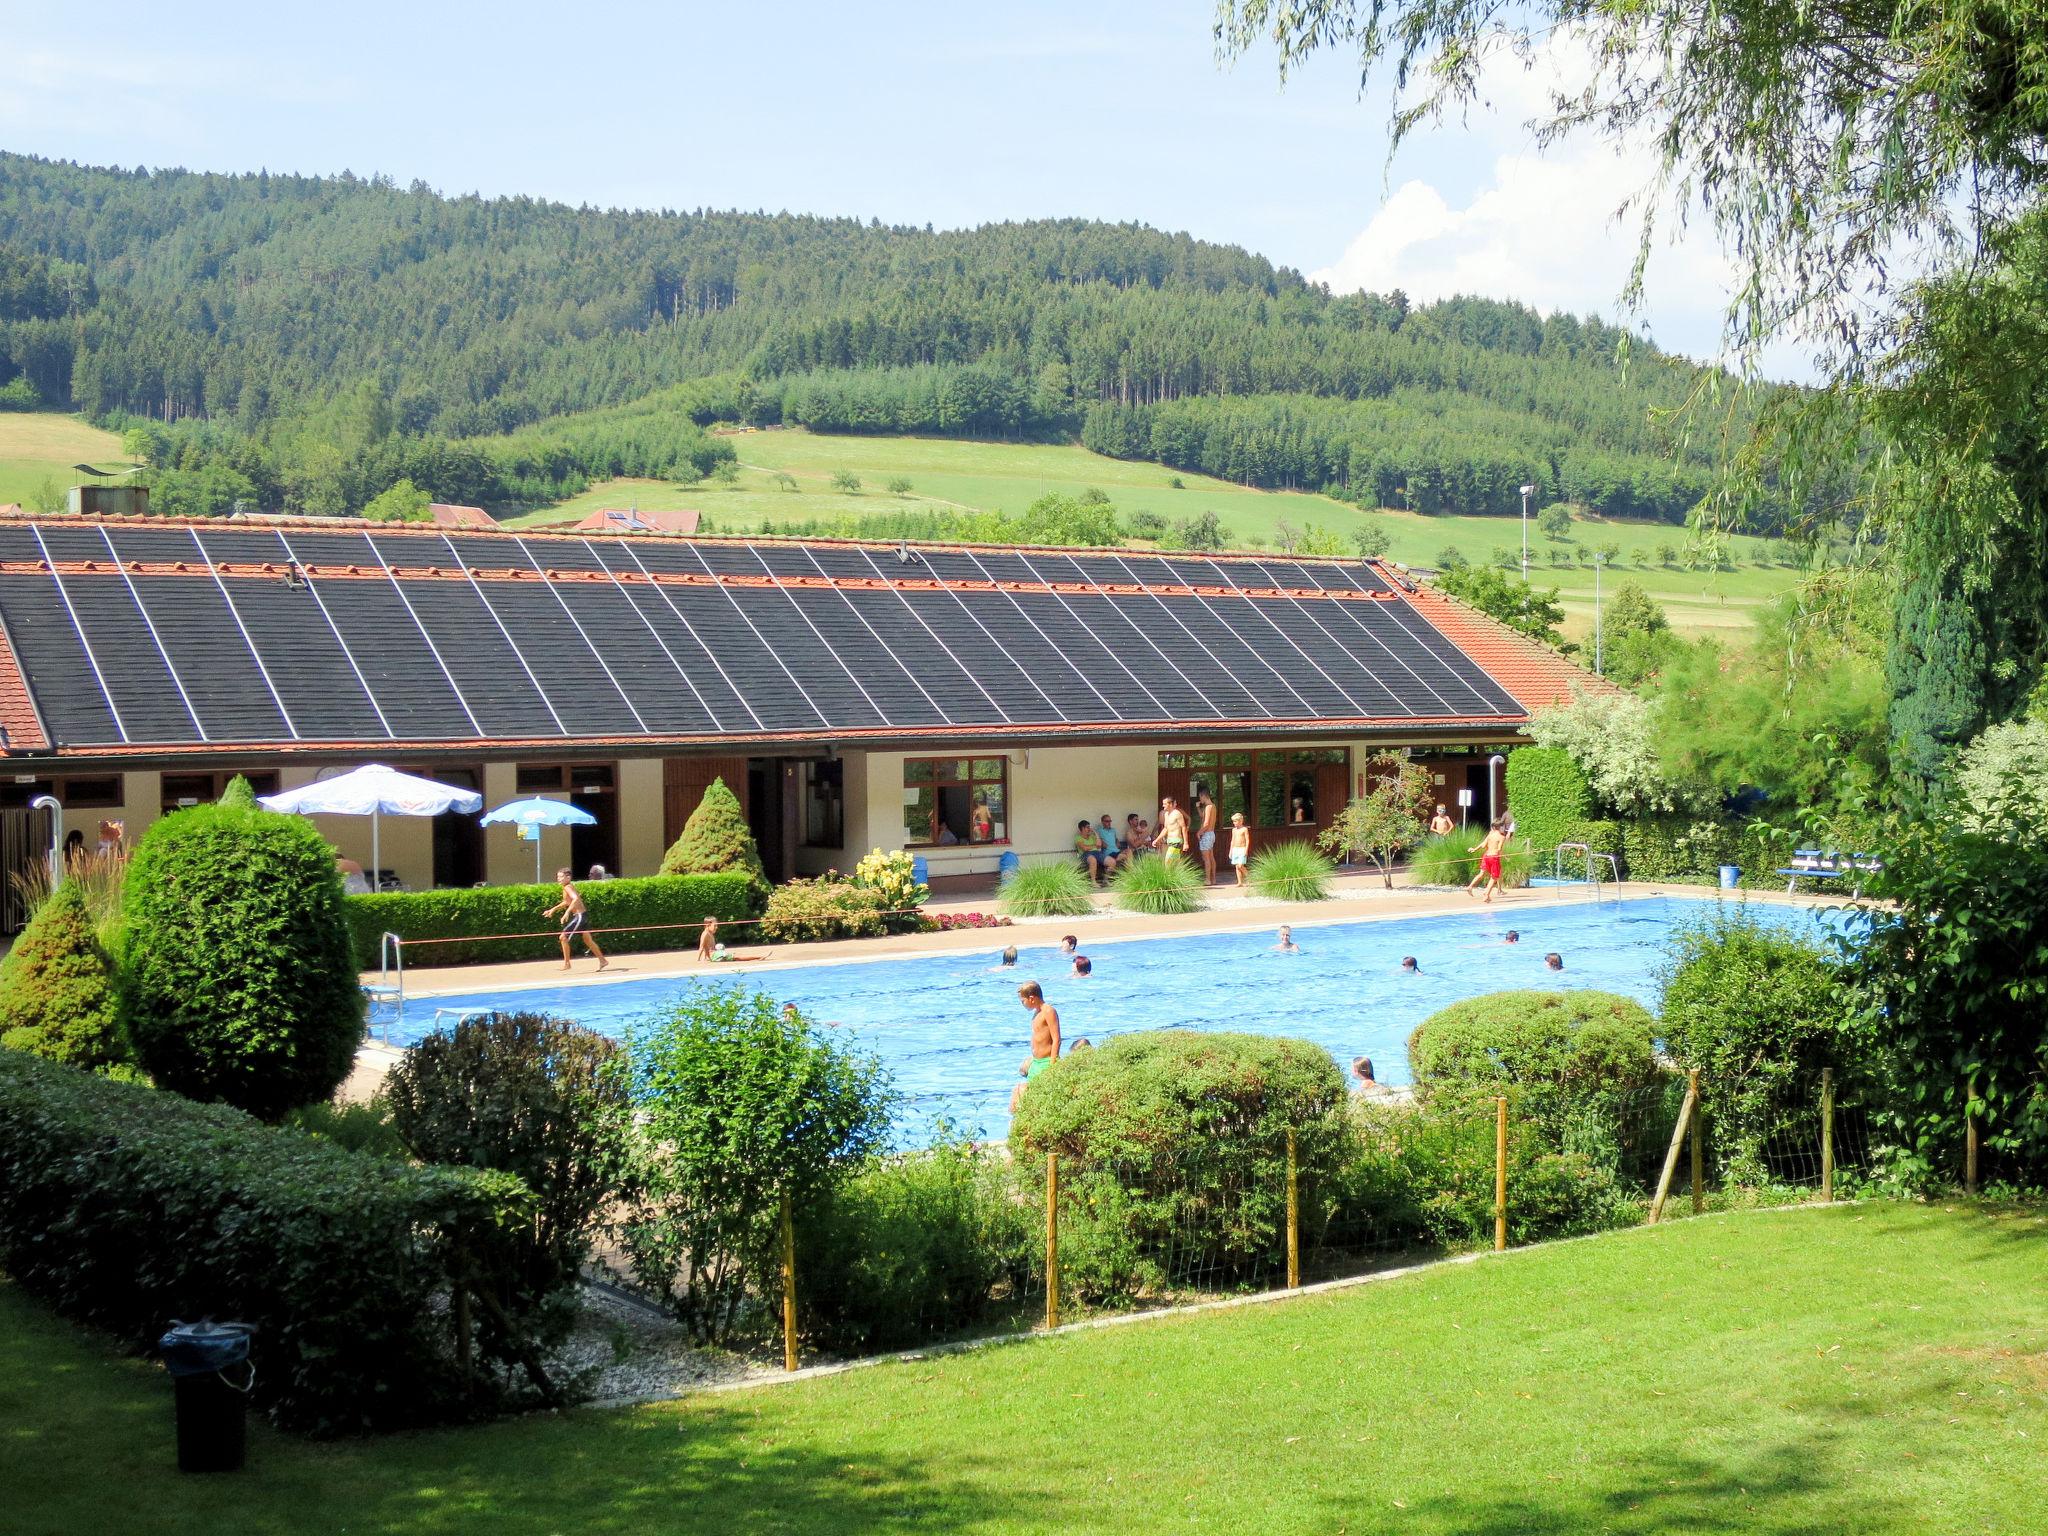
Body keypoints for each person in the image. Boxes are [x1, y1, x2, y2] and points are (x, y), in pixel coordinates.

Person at [1009, 981, 1062, 1112]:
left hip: (1046, 1062)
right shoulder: (1036, 1013)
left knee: (1028, 1092)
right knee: (1023, 1095)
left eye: (1023, 1001)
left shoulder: (1048, 1011)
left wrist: (1053, 1064)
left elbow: (1056, 1039)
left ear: (1031, 998)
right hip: (1036, 1062)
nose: (1022, 1004)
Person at [544, 868, 608, 972]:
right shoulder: (566, 887)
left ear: (568, 878)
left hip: (580, 916)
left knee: (563, 937)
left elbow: (575, 899)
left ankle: (567, 964)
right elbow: (566, 902)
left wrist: (567, 913)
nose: (558, 879)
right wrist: (552, 910)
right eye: (558, 877)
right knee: (588, 940)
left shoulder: (568, 887)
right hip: (582, 915)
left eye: (561, 877)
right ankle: (603, 961)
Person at [1467, 816, 1509, 904]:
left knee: (1482, 873)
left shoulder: (1490, 835)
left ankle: (1470, 887)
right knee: (1494, 877)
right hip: (1494, 857)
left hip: (1486, 856)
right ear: (1501, 827)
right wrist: (1505, 856)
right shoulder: (1501, 837)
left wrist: (1474, 849)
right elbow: (1499, 849)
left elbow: (1483, 845)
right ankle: (1486, 895)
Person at [1154, 796, 1189, 861]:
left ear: (1170, 804)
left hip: (1176, 841)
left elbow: (1183, 827)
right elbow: (1166, 829)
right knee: (1174, 863)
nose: (1163, 805)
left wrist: (1186, 843)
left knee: (1168, 861)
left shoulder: (1177, 813)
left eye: (1165, 804)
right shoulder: (1166, 814)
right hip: (1169, 841)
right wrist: (1157, 839)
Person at [1195, 790, 1219, 884]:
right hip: (1211, 834)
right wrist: (1198, 807)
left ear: (1204, 796)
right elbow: (1202, 816)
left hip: (1207, 834)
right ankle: (1213, 879)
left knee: (1206, 858)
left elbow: (1206, 823)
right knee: (1211, 857)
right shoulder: (1212, 806)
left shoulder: (1208, 807)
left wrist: (1199, 833)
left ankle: (1207, 880)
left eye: (1200, 797)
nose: (1200, 799)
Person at [1074, 819, 1106, 885]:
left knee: (1111, 861)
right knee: (1093, 859)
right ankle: (1093, 882)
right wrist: (1095, 846)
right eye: (1088, 827)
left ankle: (1106, 880)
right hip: (1085, 855)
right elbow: (1085, 848)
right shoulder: (1078, 837)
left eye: (1089, 827)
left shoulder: (1092, 837)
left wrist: (1095, 833)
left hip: (1096, 853)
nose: (1090, 829)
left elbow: (1099, 845)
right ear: (1082, 828)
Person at [1228, 812, 1251, 888]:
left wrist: (1246, 850)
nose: (1234, 823)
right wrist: (1230, 851)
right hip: (1235, 849)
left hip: (1242, 848)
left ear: (1241, 821)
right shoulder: (1234, 830)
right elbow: (1232, 840)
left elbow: (1247, 840)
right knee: (1237, 866)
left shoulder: (1244, 829)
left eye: (1235, 821)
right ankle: (1240, 882)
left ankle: (1249, 878)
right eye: (1233, 821)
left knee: (1241, 865)